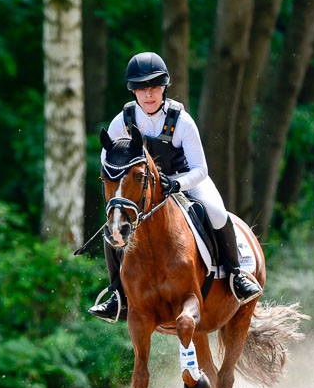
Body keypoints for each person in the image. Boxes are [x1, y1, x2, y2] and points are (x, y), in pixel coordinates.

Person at [88, 51, 263, 322]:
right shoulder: (120, 121)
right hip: (142, 189)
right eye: (142, 89)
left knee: (217, 212)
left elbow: (201, 170)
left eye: (154, 88)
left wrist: (177, 183)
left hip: (183, 181)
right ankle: (117, 294)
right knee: (113, 228)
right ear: (134, 91)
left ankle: (236, 275)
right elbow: (108, 159)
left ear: (164, 88)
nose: (148, 95)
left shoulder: (181, 121)